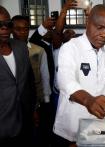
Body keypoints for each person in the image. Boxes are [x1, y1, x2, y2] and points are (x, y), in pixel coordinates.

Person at [53, 4, 105, 147]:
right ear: (88, 23)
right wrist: (89, 100)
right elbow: (64, 81)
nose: (104, 34)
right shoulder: (70, 47)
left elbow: (103, 84)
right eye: (99, 27)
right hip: (71, 129)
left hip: (96, 128)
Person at [11, 15, 52, 147]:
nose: (22, 32)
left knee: (34, 134)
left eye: (26, 29)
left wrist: (46, 101)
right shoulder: (5, 51)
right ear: (11, 29)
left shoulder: (38, 50)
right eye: (18, 29)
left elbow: (45, 76)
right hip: (11, 104)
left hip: (36, 102)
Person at [0, 6, 36, 146]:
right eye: (0, 25)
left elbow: (29, 81)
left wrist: (34, 109)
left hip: (25, 121)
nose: (4, 29)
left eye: (8, 24)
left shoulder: (20, 47)